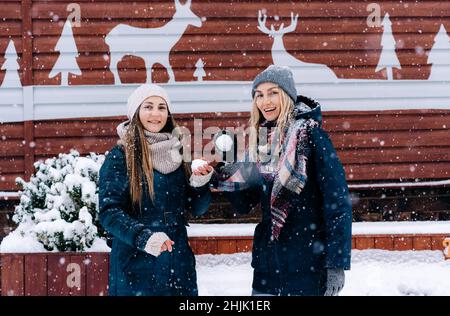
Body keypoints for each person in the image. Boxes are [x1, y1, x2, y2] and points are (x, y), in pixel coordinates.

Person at [215, 65, 352, 296]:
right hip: (267, 267)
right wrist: (227, 168)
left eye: (273, 93)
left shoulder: (311, 136)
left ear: (287, 96)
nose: (265, 101)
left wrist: (336, 263)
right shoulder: (261, 142)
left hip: (307, 263)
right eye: (259, 95)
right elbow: (244, 203)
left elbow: (337, 202)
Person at [98, 84, 214, 296]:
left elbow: (196, 209)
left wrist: (199, 184)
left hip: (178, 263)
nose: (155, 113)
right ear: (136, 113)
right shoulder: (121, 156)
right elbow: (109, 212)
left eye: (162, 107)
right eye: (148, 106)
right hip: (135, 264)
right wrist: (144, 237)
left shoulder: (178, 151)